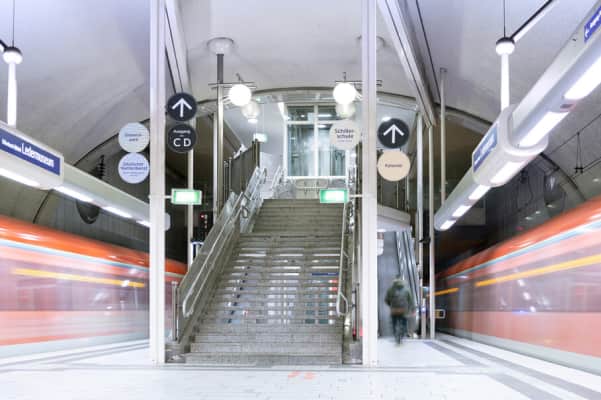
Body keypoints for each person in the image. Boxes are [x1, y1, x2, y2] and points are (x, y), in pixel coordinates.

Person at [384, 277, 413, 345]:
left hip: (394, 310)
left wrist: (390, 305)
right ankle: (402, 334)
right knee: (404, 323)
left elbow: (386, 300)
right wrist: (409, 308)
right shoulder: (406, 289)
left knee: (394, 324)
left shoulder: (390, 289)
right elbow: (410, 300)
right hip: (403, 310)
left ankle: (396, 336)